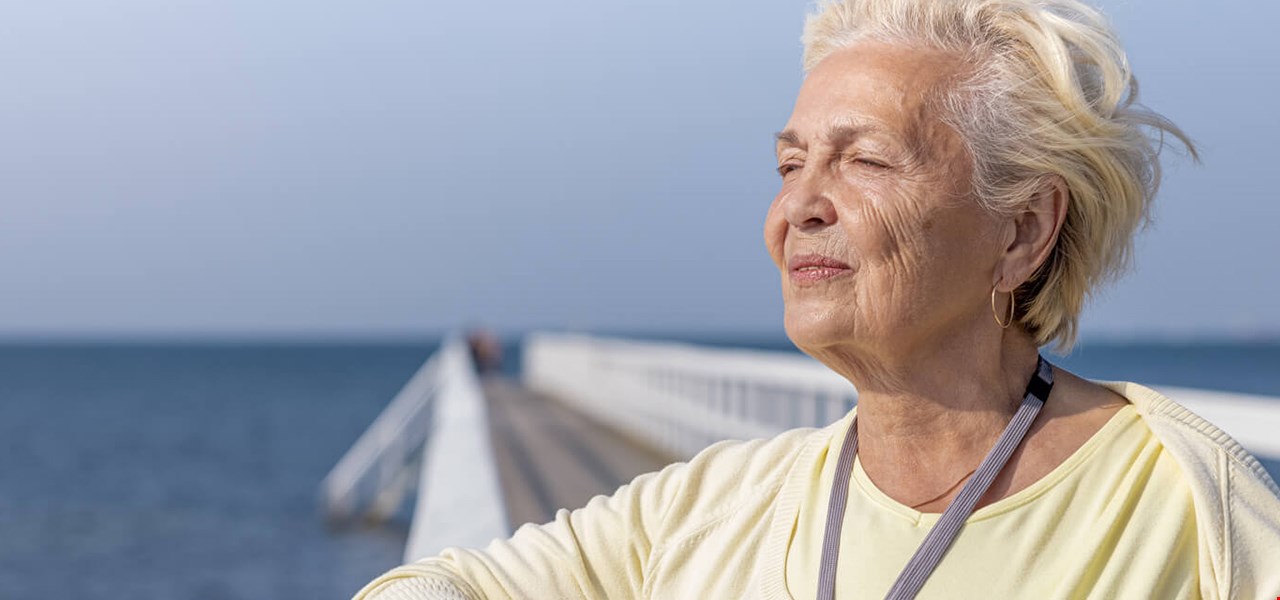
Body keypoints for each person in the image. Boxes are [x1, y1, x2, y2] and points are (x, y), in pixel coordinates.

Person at [357, 0, 1280, 597]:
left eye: (866, 160)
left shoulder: (1182, 514)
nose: (798, 208)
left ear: (1023, 231)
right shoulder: (723, 509)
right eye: (789, 165)